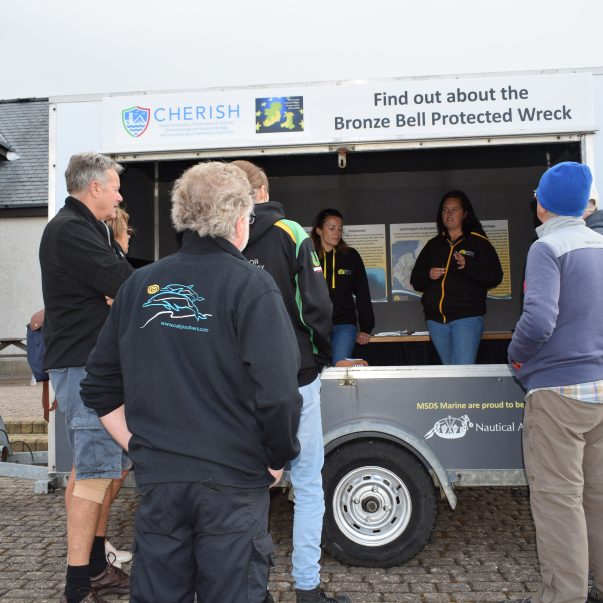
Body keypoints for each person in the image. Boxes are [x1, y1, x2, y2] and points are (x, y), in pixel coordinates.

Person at [80, 161, 303, 603]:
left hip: (161, 482)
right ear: (241, 220)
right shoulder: (252, 287)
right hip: (235, 481)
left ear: (181, 215)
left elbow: (99, 386)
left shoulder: (139, 285)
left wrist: (141, 446)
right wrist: (278, 457)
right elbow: (278, 394)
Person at [234, 160, 350, 603]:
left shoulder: (219, 237)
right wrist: (316, 354)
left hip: (241, 384)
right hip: (297, 379)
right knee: (306, 484)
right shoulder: (292, 232)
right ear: (262, 189)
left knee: (248, 487)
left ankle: (253, 589)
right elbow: (316, 306)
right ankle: (306, 588)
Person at [506, 162, 603, 603]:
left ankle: (564, 596)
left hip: (558, 395)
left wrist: (517, 357)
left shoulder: (546, 250)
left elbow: (539, 319)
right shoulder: (599, 245)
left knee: (558, 499)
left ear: (543, 204)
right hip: (599, 389)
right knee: (597, 497)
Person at [39, 152, 134, 603]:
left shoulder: (87, 228)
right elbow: (122, 281)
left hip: (94, 363)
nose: (119, 194)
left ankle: (96, 568)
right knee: (95, 474)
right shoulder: (72, 230)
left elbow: (117, 288)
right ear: (93, 187)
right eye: (114, 186)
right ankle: (77, 586)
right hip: (83, 365)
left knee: (102, 471)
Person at [410, 190, 502, 364]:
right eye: (445, 210)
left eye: (454, 209)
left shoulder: (479, 242)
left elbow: (495, 276)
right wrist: (428, 274)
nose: (448, 214)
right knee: (451, 374)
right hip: (436, 321)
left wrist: (469, 266)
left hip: (466, 318)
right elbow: (416, 280)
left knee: (463, 372)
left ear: (465, 213)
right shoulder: (433, 244)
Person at [310, 208, 374, 365]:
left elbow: (363, 292)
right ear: (319, 230)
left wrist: (366, 327)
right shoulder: (308, 257)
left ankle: (353, 366)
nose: (337, 233)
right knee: (314, 371)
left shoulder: (350, 256)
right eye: (331, 228)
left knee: (338, 365)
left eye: (340, 229)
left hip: (344, 324)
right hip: (315, 326)